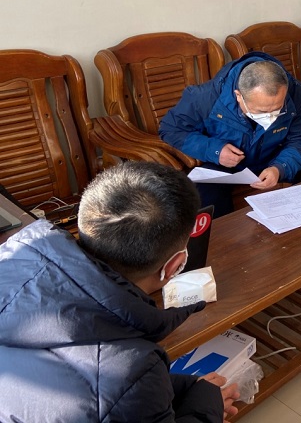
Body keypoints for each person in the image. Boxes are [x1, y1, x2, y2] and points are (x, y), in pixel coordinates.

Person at [0, 161, 239, 422]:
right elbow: (116, 391)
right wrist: (207, 407)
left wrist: (171, 388)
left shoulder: (12, 258)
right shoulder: (132, 368)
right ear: (173, 266)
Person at [160, 53, 301, 216]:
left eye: (278, 109)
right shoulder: (206, 97)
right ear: (238, 95)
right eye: (262, 111)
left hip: (274, 155)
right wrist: (215, 150)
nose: (271, 117)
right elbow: (171, 129)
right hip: (227, 163)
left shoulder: (296, 91)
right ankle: (223, 233)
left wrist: (280, 168)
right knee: (204, 186)